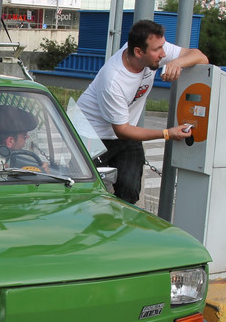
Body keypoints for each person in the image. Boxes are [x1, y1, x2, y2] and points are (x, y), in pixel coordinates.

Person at [76, 19, 209, 204]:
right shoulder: (113, 79)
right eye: (157, 50)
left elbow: (200, 57)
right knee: (86, 196)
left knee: (129, 191)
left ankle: (121, 229)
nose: (163, 54)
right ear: (138, 52)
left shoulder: (151, 49)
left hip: (125, 133)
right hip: (90, 135)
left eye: (163, 47)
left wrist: (178, 62)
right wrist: (167, 133)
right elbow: (121, 129)